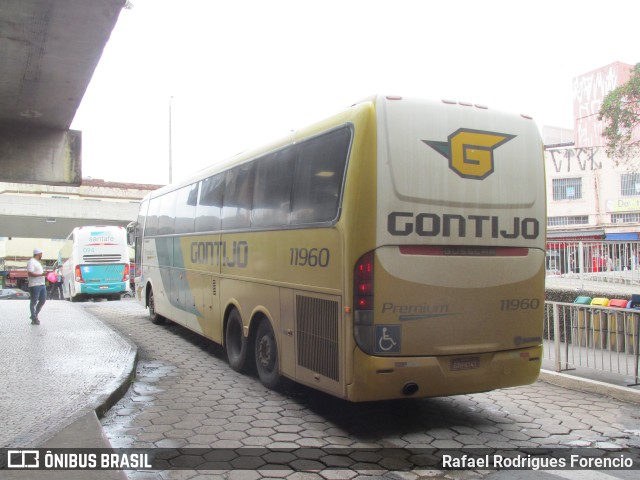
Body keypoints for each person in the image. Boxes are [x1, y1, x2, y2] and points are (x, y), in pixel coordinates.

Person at [27, 248, 48, 325]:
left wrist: (43, 274)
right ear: (38, 254)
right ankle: (34, 318)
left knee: (43, 300)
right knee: (34, 302)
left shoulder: (38, 262)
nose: (42, 255)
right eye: (41, 253)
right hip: (34, 285)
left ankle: (34, 315)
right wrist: (41, 274)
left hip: (42, 284)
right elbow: (30, 273)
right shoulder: (31, 262)